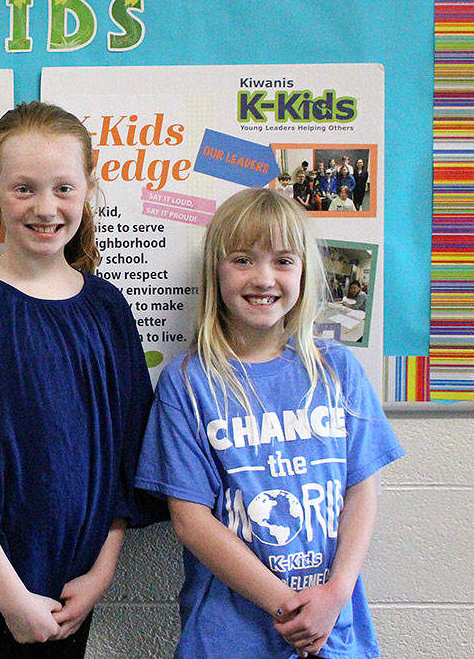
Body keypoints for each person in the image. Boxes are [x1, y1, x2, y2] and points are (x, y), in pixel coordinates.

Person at [0, 101, 161, 657]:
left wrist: (101, 574)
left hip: (78, 584)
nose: (46, 208)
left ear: (89, 188)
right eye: (25, 189)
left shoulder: (108, 309)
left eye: (63, 188)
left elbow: (126, 457)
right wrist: (11, 596)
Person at [135, 188, 403, 658]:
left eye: (283, 261)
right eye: (243, 259)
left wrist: (335, 596)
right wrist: (288, 608)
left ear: (304, 272)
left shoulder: (337, 371)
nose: (264, 278)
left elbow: (362, 490)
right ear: (215, 272)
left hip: (335, 630)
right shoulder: (187, 384)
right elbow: (190, 520)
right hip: (228, 637)